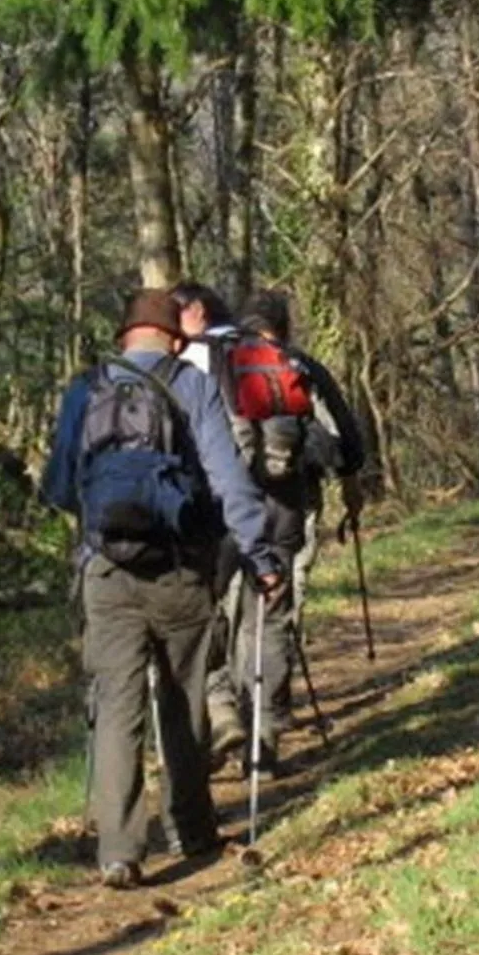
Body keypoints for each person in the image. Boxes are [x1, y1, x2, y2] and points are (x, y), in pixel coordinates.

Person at [40, 289, 283, 886]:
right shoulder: (189, 384)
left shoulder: (86, 388)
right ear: (175, 338)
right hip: (180, 567)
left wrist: (107, 520)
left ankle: (120, 851)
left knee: (118, 705)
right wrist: (260, 554)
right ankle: (191, 828)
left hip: (106, 572)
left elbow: (59, 486)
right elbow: (228, 479)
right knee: (184, 698)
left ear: (124, 336)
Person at [195, 289, 370, 771]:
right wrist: (349, 490)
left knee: (207, 607)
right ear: (284, 326)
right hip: (285, 506)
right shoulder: (300, 366)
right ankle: (264, 737)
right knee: (270, 616)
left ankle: (219, 706)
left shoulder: (211, 363)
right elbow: (348, 443)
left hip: (222, 510)